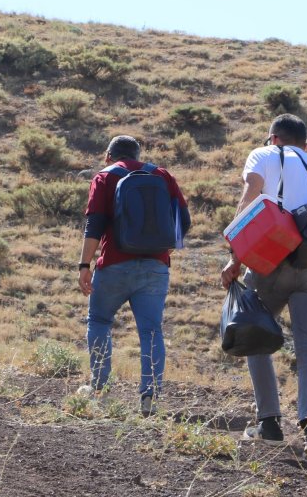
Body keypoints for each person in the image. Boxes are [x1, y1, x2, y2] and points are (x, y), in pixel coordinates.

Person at [220, 114, 307, 460]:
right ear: (305, 144)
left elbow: (249, 199)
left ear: (273, 138)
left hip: (270, 260)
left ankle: (270, 424)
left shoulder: (263, 155)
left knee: (254, 333)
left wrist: (235, 258)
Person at [79, 135, 190, 417]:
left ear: (108, 156)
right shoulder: (161, 175)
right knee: (151, 331)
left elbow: (94, 224)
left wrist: (84, 265)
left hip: (114, 264)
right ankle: (149, 398)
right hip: (155, 267)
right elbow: (184, 220)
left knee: (100, 321)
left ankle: (100, 390)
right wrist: (164, 249)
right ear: (138, 155)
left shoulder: (105, 177)